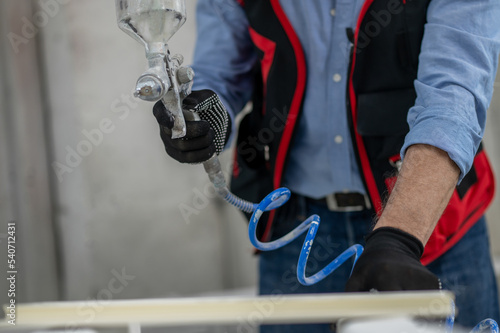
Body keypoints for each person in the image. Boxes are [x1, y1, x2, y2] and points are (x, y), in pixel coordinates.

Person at [153, 0, 500, 331]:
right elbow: (222, 73)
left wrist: (400, 237)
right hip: (295, 231)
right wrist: (205, 118)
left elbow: (453, 99)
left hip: (429, 228)